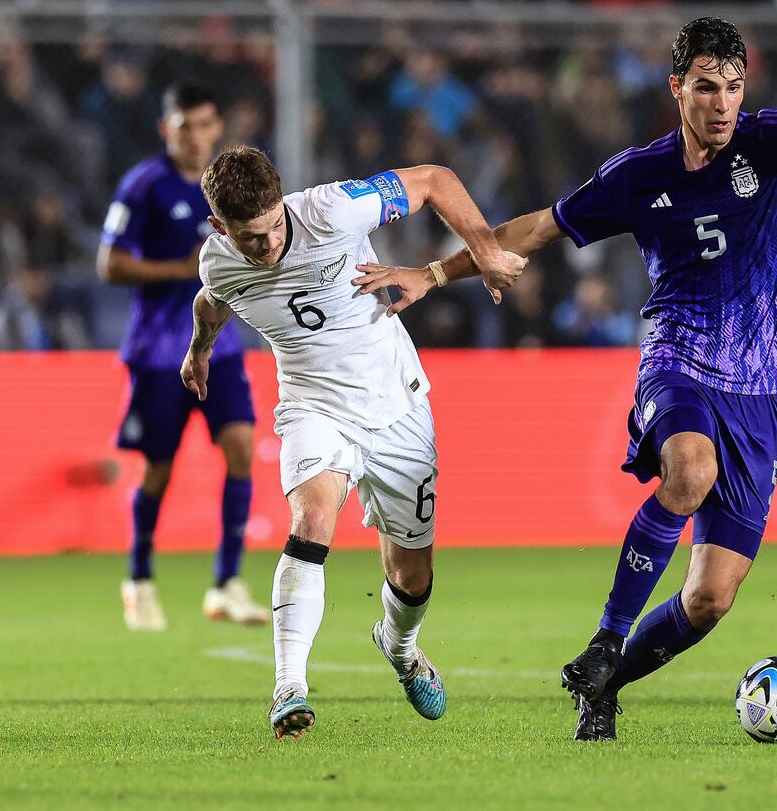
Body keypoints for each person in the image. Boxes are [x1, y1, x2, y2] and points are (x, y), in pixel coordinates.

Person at [352, 17, 777, 741]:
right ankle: (609, 634)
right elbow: (536, 228)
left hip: (761, 389)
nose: (723, 102)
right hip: (679, 361)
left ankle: (606, 680)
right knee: (690, 470)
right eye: (706, 87)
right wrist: (433, 271)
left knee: (710, 598)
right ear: (677, 88)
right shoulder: (639, 174)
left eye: (733, 87)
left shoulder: (776, 142)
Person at [180, 146, 525, 738]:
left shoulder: (334, 210)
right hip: (313, 408)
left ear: (281, 205)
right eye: (248, 238)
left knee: (412, 573)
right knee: (312, 518)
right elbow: (212, 302)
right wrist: (199, 349)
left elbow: (434, 180)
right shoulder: (220, 262)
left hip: (395, 405)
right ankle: (289, 687)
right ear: (220, 228)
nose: (264, 247)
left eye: (270, 230)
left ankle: (399, 643)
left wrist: (486, 252)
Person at [98, 83, 266, 632]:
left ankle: (227, 584)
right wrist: (181, 269)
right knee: (159, 467)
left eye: (205, 124)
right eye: (184, 126)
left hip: (223, 346)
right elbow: (110, 264)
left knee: (241, 447)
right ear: (165, 128)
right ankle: (140, 580)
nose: (195, 137)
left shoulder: (229, 188)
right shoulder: (143, 185)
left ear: (219, 127)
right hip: (157, 350)